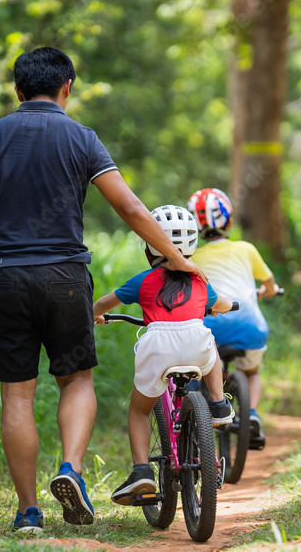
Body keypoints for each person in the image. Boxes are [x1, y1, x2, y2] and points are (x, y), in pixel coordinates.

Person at [0, 47, 206, 534]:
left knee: (16, 396)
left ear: (17, 91)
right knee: (76, 380)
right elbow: (132, 208)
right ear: (67, 89)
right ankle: (70, 469)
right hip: (65, 280)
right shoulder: (82, 138)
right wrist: (177, 258)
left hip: (3, 279)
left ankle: (27, 513)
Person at [91, 204, 234, 504]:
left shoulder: (142, 281)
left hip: (157, 345)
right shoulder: (199, 281)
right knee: (212, 354)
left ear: (150, 248)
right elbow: (220, 303)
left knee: (140, 410)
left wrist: (95, 316)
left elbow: (103, 304)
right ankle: (219, 404)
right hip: (197, 341)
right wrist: (229, 305)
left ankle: (142, 471)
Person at [186, 187, 279, 446]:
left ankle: (193, 415)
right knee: (251, 372)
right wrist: (267, 291)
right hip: (249, 327)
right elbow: (269, 282)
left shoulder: (193, 257)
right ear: (230, 220)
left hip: (209, 328)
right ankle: (250, 414)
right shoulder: (246, 249)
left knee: (198, 369)